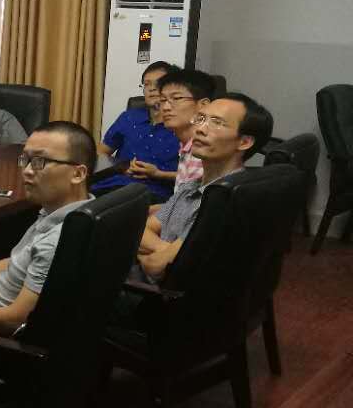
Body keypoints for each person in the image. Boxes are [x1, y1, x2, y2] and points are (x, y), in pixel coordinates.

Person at [0, 121, 95, 335]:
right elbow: (12, 262)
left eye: (40, 162)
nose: (27, 171)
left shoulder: (57, 241)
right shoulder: (73, 209)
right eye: (26, 160)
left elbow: (15, 319)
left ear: (78, 174)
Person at [135, 93, 273, 282]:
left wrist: (151, 256)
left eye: (217, 122)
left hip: (162, 293)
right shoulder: (191, 185)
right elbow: (142, 230)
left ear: (244, 142)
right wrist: (168, 251)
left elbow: (156, 267)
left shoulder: (224, 200)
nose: (200, 129)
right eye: (200, 119)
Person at [92, 61, 180, 202]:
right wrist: (120, 167)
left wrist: (158, 174)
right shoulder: (129, 117)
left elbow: (194, 178)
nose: (151, 89)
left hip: (152, 193)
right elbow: (100, 152)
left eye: (158, 83)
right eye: (147, 84)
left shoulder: (182, 126)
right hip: (110, 185)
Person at [156, 68, 216, 189]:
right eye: (163, 100)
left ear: (203, 105)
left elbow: (193, 202)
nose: (166, 107)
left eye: (177, 98)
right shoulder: (187, 145)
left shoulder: (204, 151)